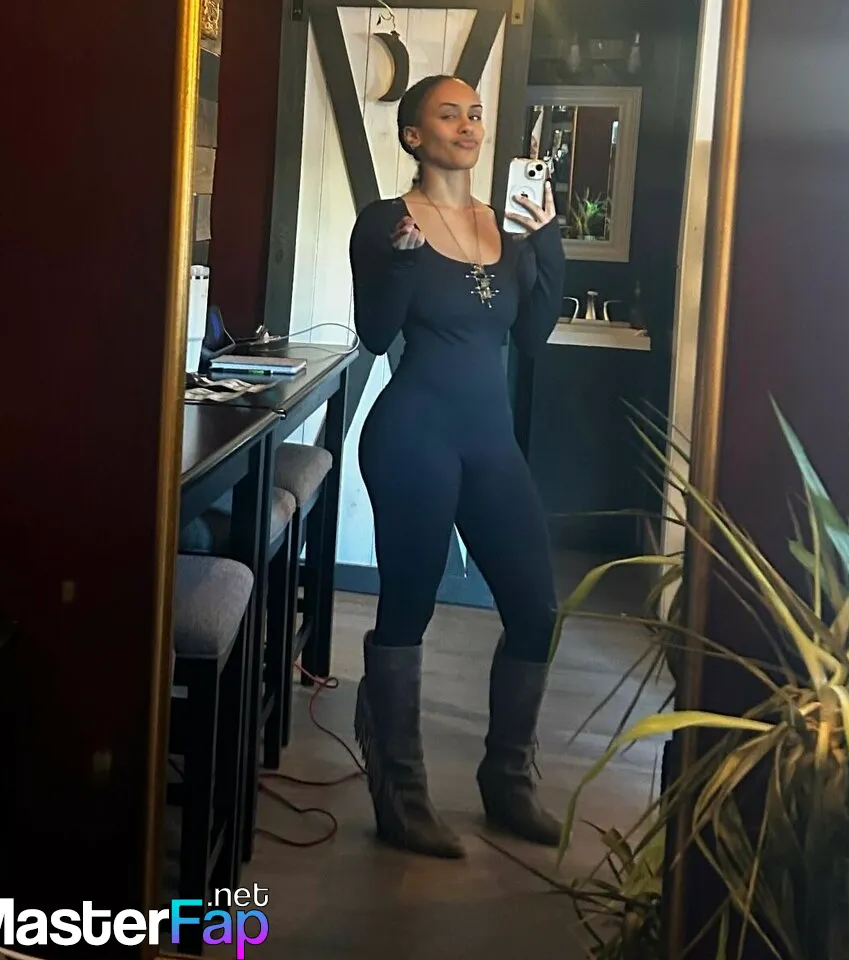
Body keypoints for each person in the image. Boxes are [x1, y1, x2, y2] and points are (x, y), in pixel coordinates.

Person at [348, 74, 566, 860]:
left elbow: (531, 336)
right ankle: (401, 797)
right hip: (412, 436)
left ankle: (507, 783)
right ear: (414, 135)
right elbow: (376, 334)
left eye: (475, 113)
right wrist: (403, 263)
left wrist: (548, 241)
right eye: (449, 114)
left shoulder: (504, 227)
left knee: (536, 610)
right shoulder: (386, 222)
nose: (469, 125)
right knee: (409, 605)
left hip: (489, 441)